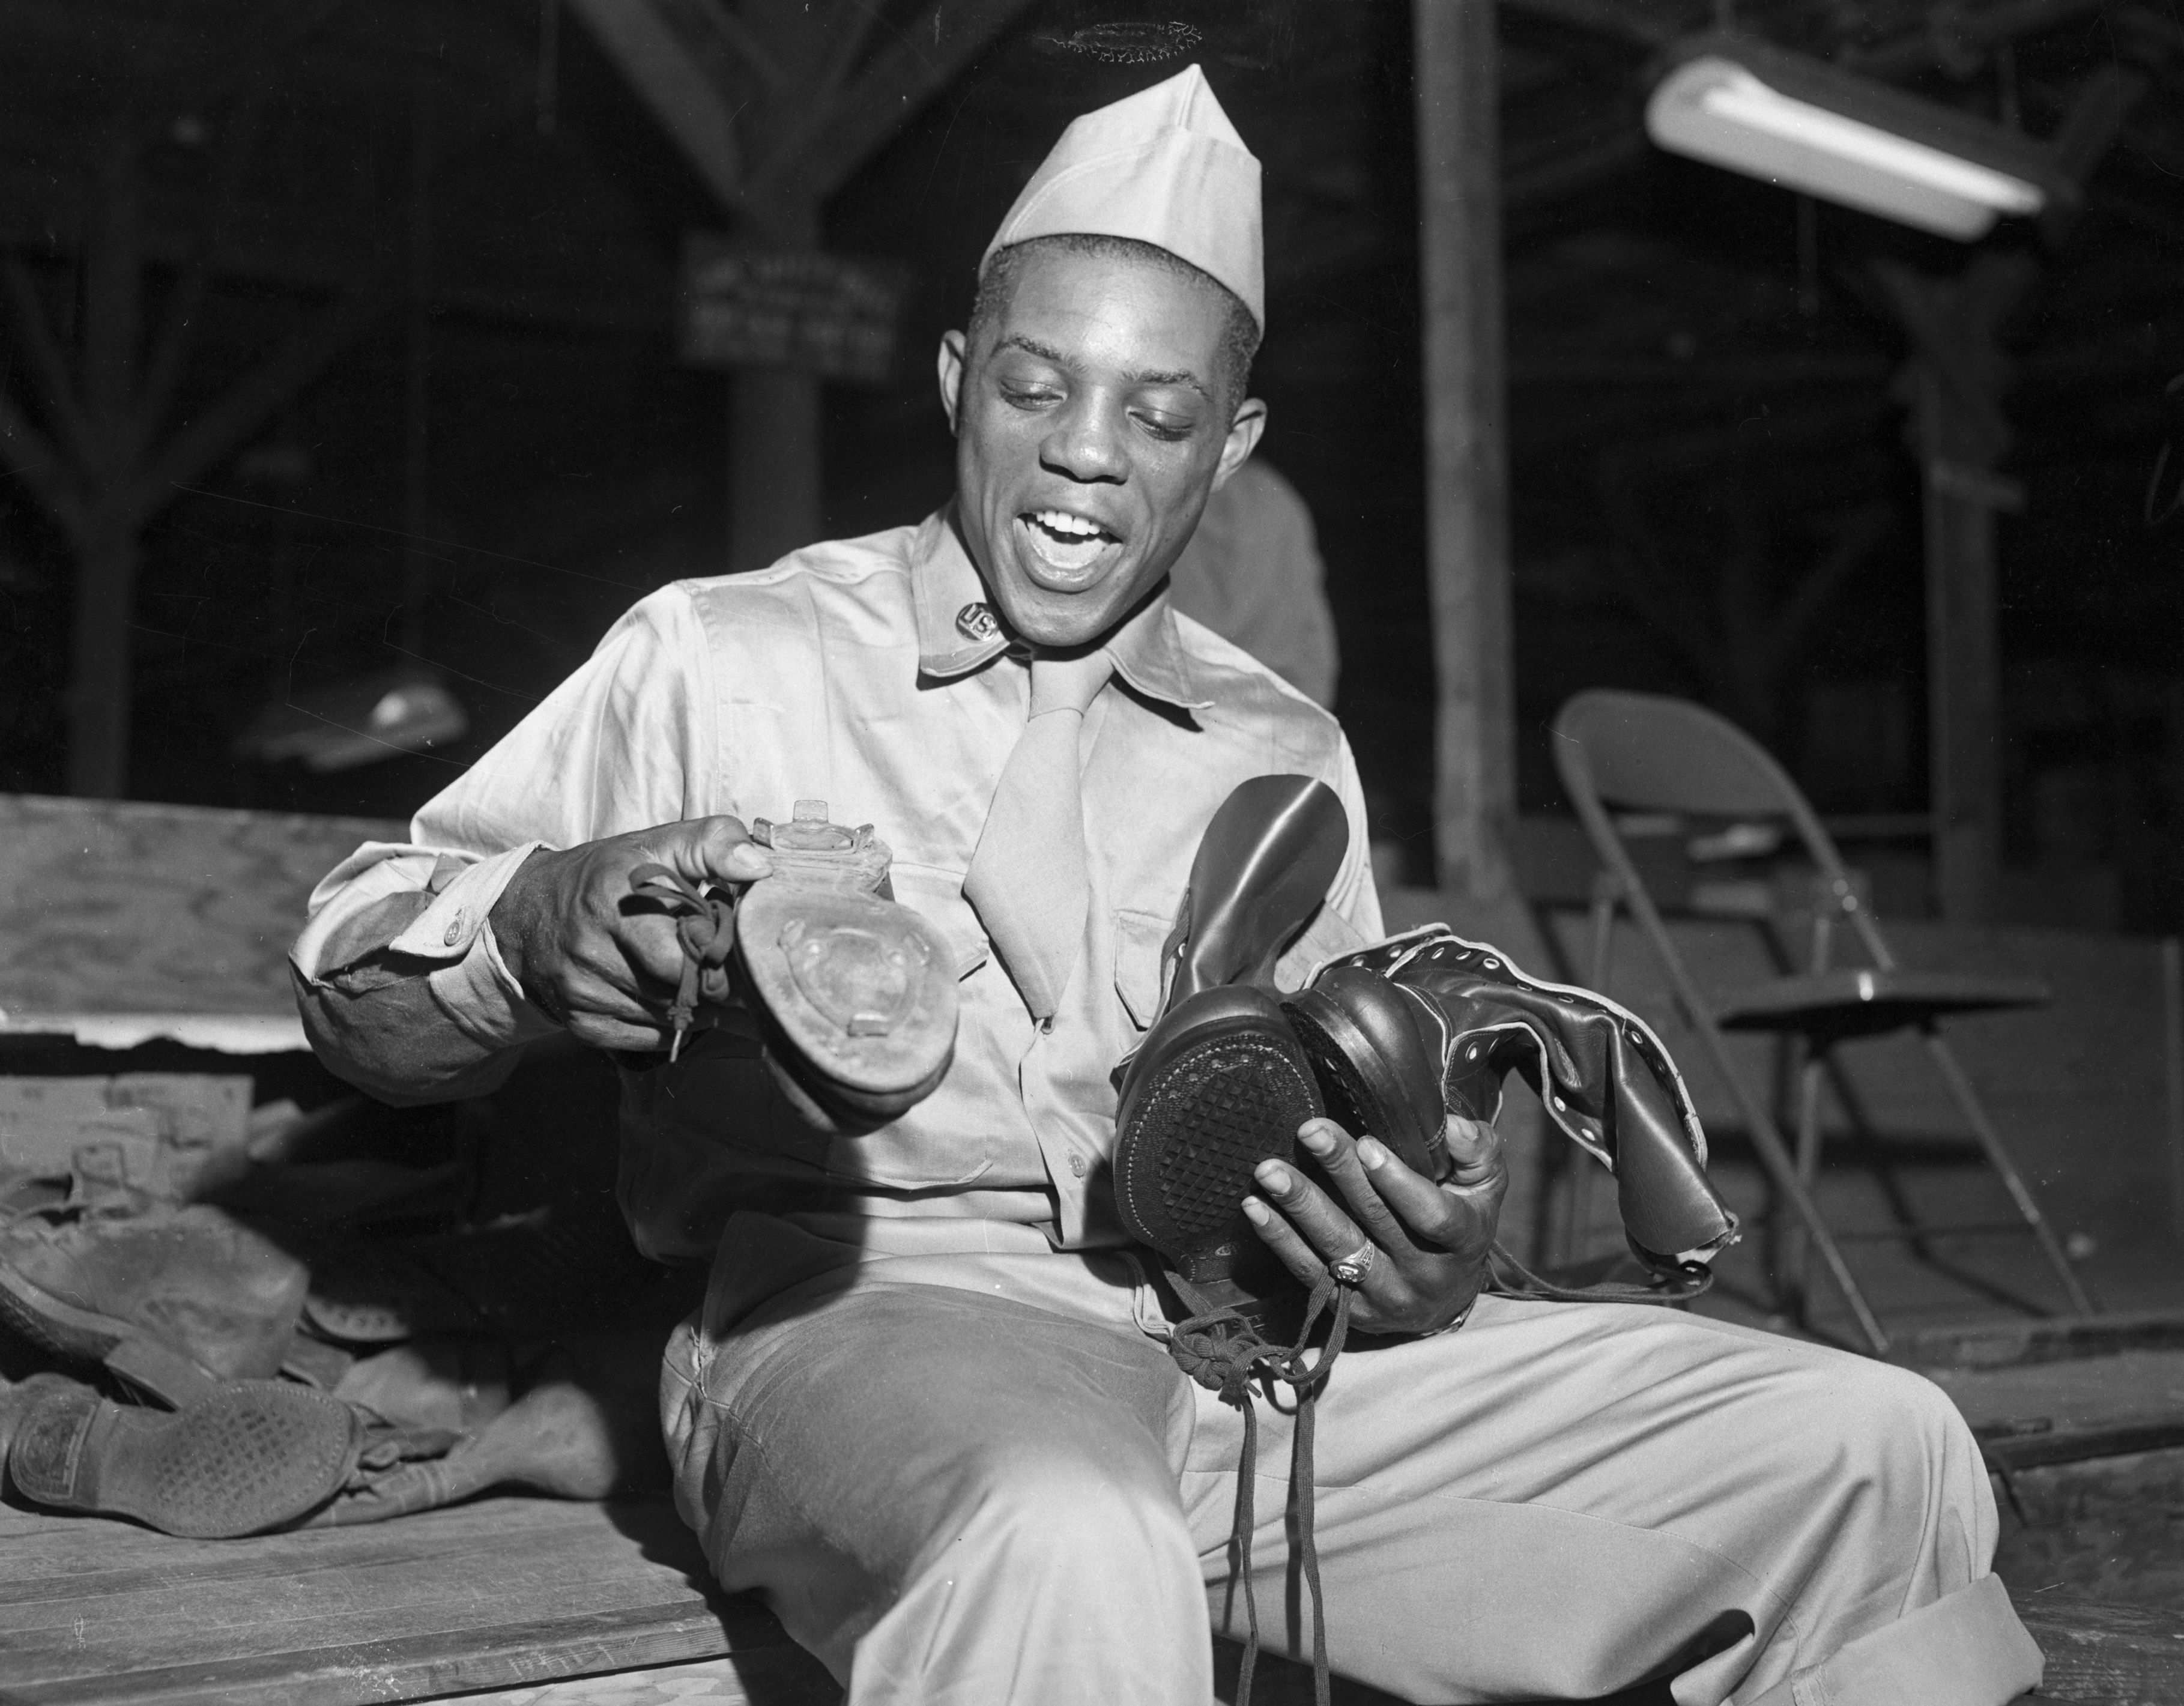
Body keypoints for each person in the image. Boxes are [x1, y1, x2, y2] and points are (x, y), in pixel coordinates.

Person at [291, 67, 2040, 1706]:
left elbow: (1359, 1145)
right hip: (866, 1320)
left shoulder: (1281, 745)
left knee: (1875, 1443)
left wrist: (1423, 1257)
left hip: (1249, 1354)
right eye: (1040, 384)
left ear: (1232, 443)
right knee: (1067, 1521)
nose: (1083, 450)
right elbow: (356, 977)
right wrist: (527, 935)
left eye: (1159, 409)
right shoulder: (722, 653)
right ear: (959, 376)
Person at [1168, 455, 1339, 707]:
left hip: (1266, 715)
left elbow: (1310, 657)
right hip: (1267, 715)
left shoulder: (1268, 498)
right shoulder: (1272, 494)